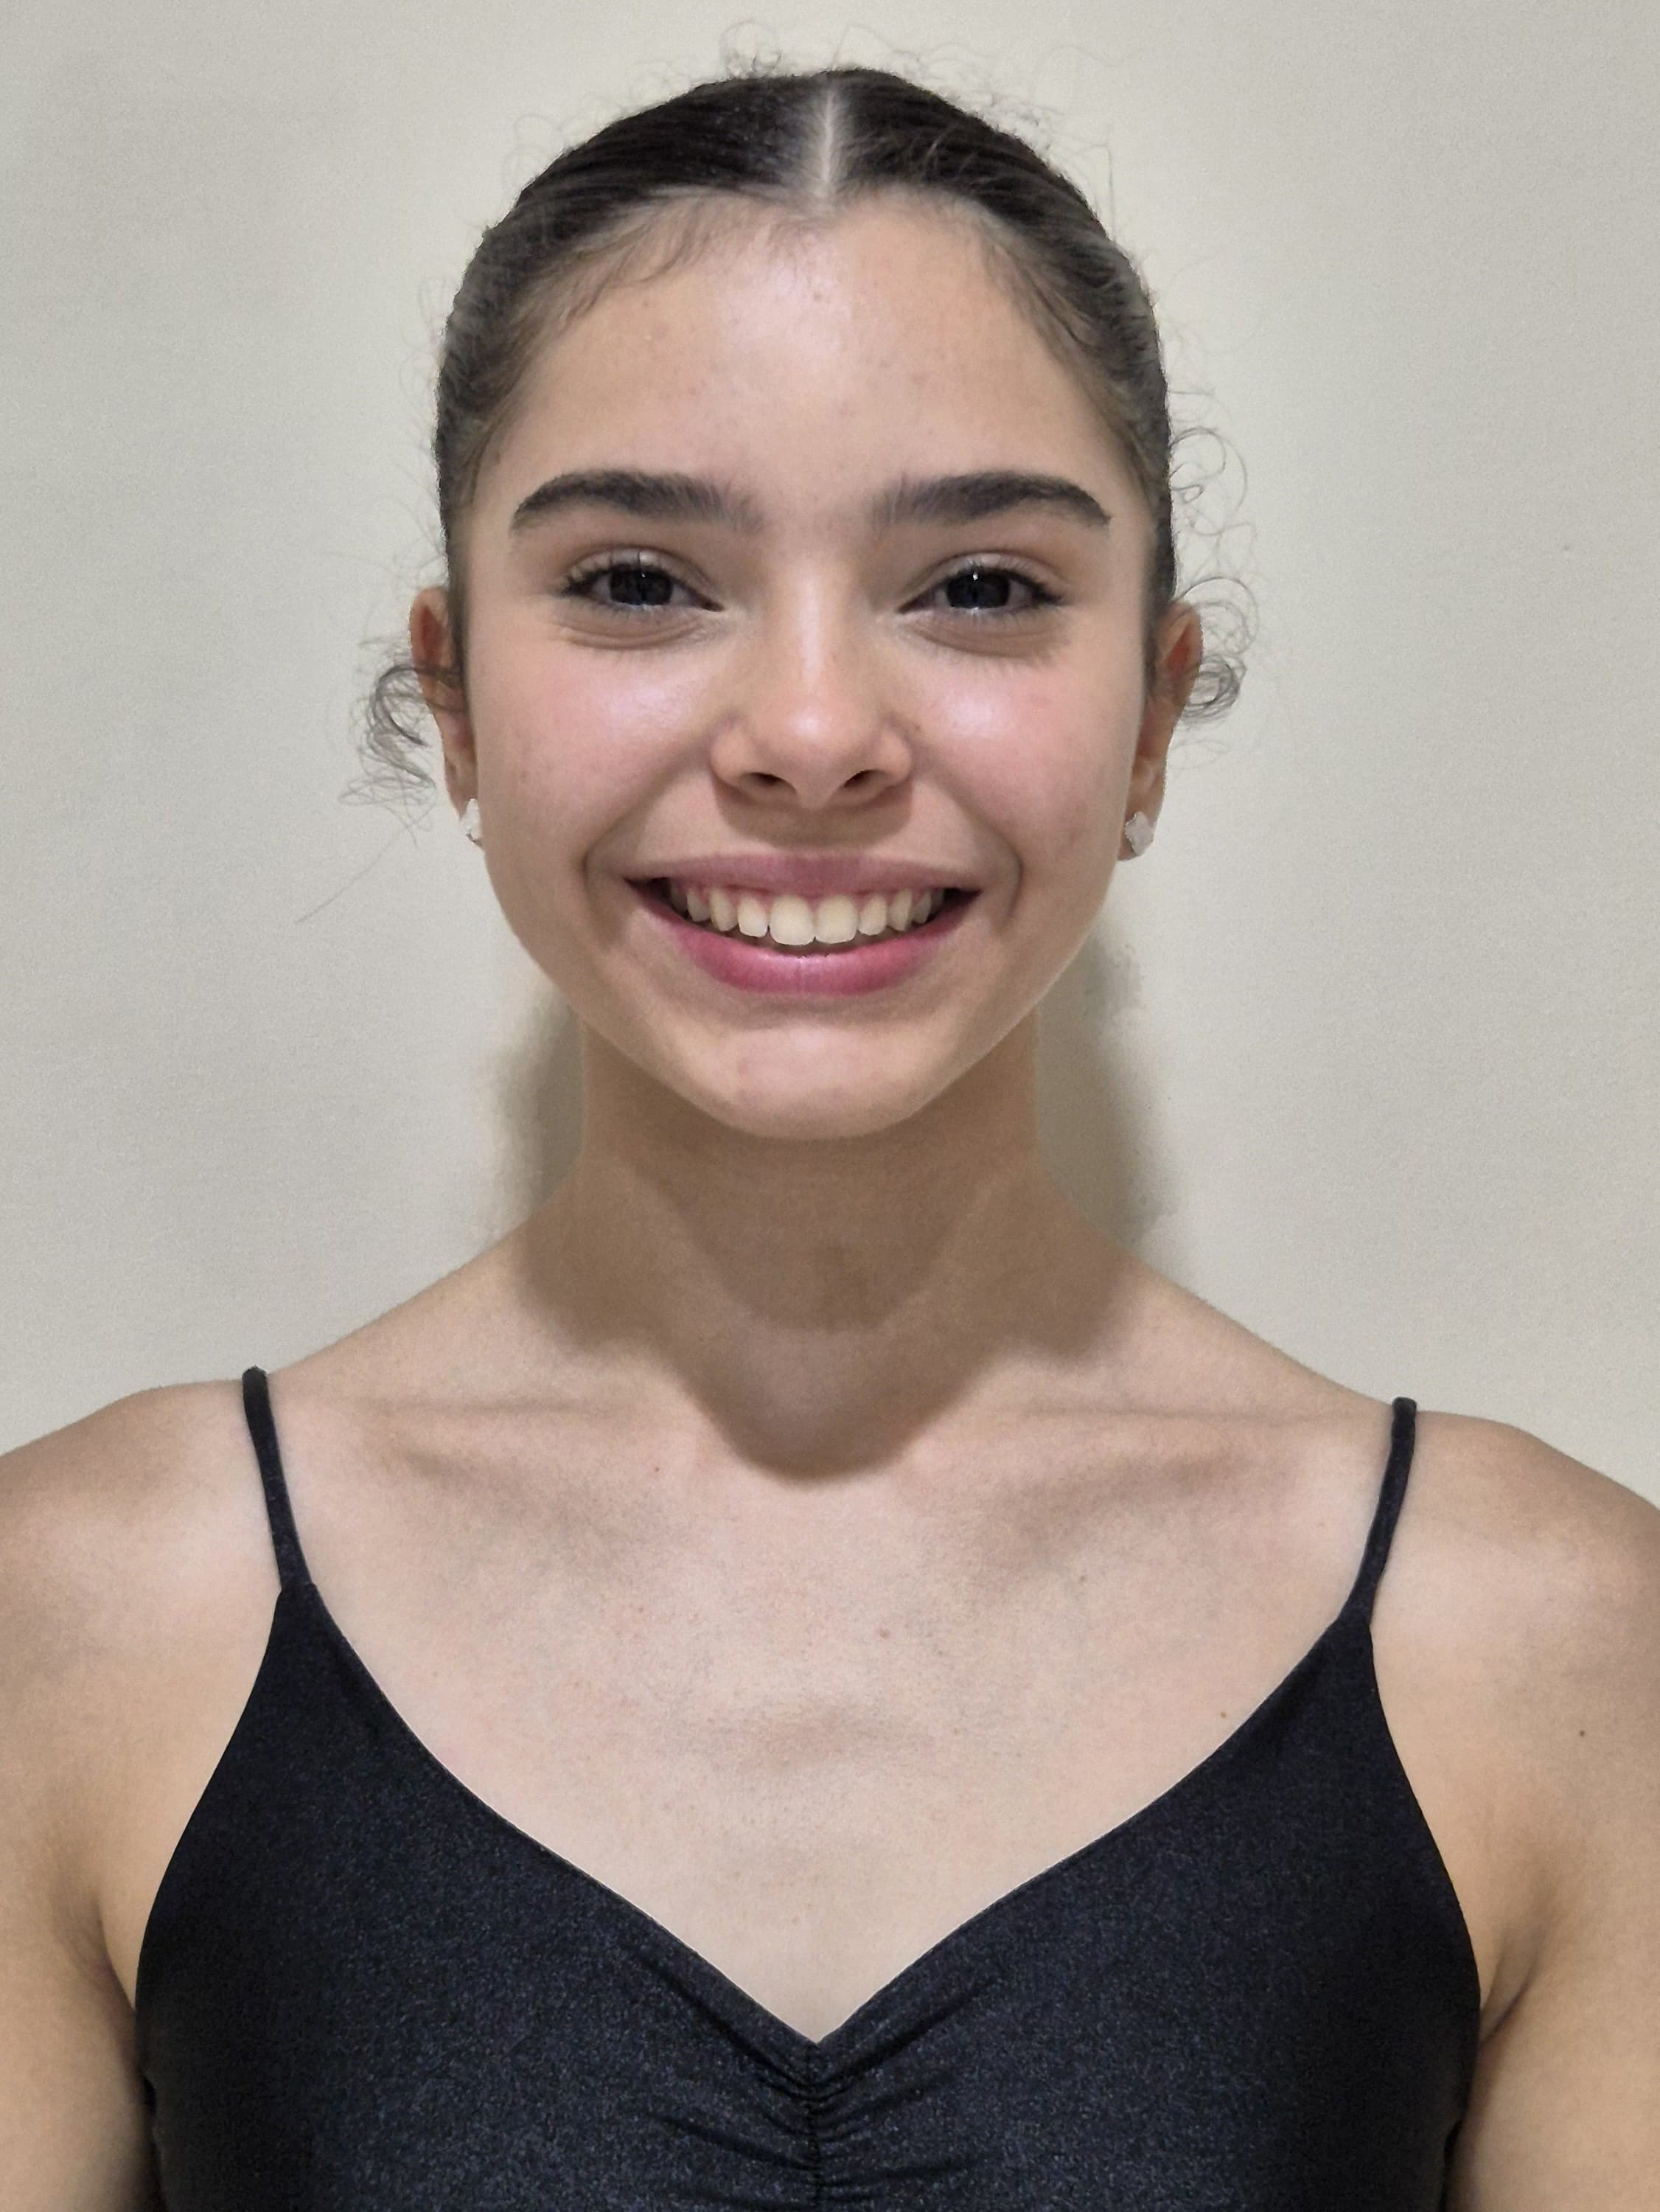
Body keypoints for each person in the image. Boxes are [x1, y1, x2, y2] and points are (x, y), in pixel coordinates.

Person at [2, 60, 1656, 2212]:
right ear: (459, 699)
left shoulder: (1550, 1649)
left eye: (977, 587)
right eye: (637, 578)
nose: (807, 735)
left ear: (1152, 714)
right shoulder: (81, 1620)